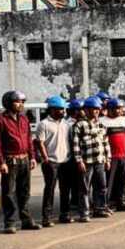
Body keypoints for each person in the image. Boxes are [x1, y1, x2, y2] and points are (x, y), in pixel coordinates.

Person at [0, 90, 37, 233]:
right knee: (9, 193)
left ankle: (26, 220)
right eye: (17, 102)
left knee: (25, 192)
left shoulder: (24, 119)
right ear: (8, 103)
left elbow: (29, 139)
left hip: (25, 159)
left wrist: (32, 157)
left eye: (22, 102)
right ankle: (10, 223)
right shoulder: (0, 120)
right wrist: (1, 162)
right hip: (10, 161)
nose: (21, 104)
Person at [72, 96, 112, 222]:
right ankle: (84, 213)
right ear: (86, 110)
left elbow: (105, 143)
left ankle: (99, 209)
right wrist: (79, 161)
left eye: (98, 109)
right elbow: (76, 144)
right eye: (93, 109)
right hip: (86, 162)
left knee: (101, 186)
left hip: (100, 160)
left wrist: (108, 159)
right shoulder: (79, 125)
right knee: (85, 188)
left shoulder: (101, 125)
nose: (96, 111)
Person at [36, 96, 71, 227]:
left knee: (65, 190)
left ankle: (65, 214)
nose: (63, 111)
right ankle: (47, 217)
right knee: (50, 190)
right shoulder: (44, 124)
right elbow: (40, 142)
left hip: (65, 161)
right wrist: (45, 158)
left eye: (63, 109)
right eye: (60, 109)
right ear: (52, 110)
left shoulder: (66, 124)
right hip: (51, 162)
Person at [101, 99, 125, 212]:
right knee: (109, 182)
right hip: (111, 157)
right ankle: (107, 203)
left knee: (122, 181)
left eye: (121, 108)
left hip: (123, 156)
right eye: (118, 108)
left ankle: (121, 202)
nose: (120, 111)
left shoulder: (123, 120)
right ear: (110, 109)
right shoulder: (103, 121)